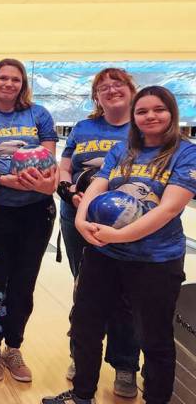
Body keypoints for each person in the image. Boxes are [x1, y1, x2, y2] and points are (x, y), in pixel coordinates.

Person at [43, 86, 195, 404]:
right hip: (104, 255)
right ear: (134, 117)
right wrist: (82, 219)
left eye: (158, 109)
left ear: (172, 113)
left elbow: (169, 208)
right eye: (142, 111)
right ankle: (83, 394)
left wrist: (119, 236)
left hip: (155, 260)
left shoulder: (186, 152)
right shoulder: (124, 149)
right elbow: (98, 184)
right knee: (85, 325)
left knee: (154, 338)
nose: (150, 116)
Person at [0, 58, 59, 383]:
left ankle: (14, 346)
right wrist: (4, 181)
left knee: (23, 284)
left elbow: (49, 161)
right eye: (3, 78)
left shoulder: (39, 114)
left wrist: (45, 183)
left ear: (23, 83)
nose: (9, 84)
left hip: (35, 211)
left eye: (15, 79)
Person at [56, 68, 140, 397]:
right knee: (85, 289)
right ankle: (82, 354)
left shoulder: (142, 126)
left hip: (129, 223)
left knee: (125, 295)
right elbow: (65, 166)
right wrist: (69, 192)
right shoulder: (83, 127)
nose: (110, 90)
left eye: (117, 84)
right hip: (78, 216)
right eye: (103, 87)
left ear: (132, 89)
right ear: (96, 96)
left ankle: (125, 364)